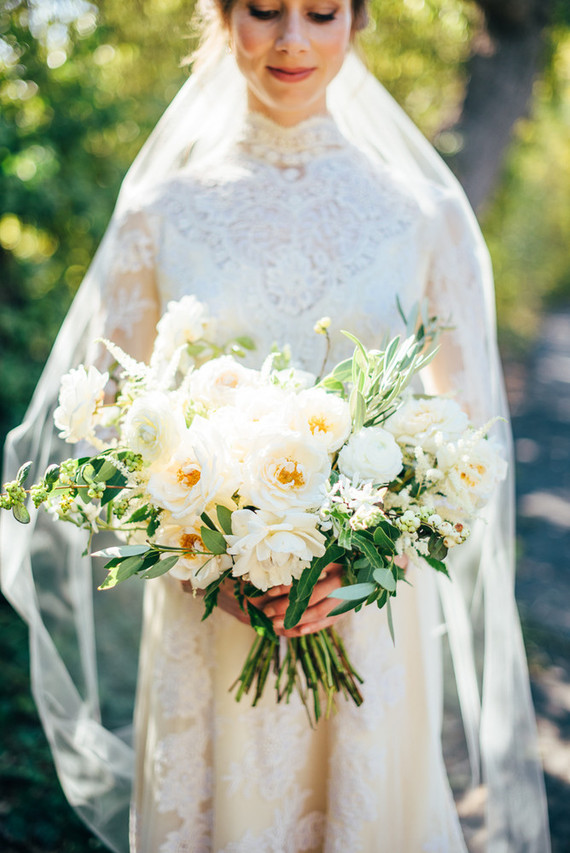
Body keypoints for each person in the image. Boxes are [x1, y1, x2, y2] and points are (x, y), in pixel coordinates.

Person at [0, 0, 551, 850]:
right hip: (204, 621)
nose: (292, 39)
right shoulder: (160, 212)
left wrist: (367, 571)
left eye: (322, 12)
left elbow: (473, 442)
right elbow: (108, 424)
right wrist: (199, 558)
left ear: (356, 24)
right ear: (220, 19)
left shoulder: (419, 215)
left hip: (368, 624)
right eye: (264, 10)